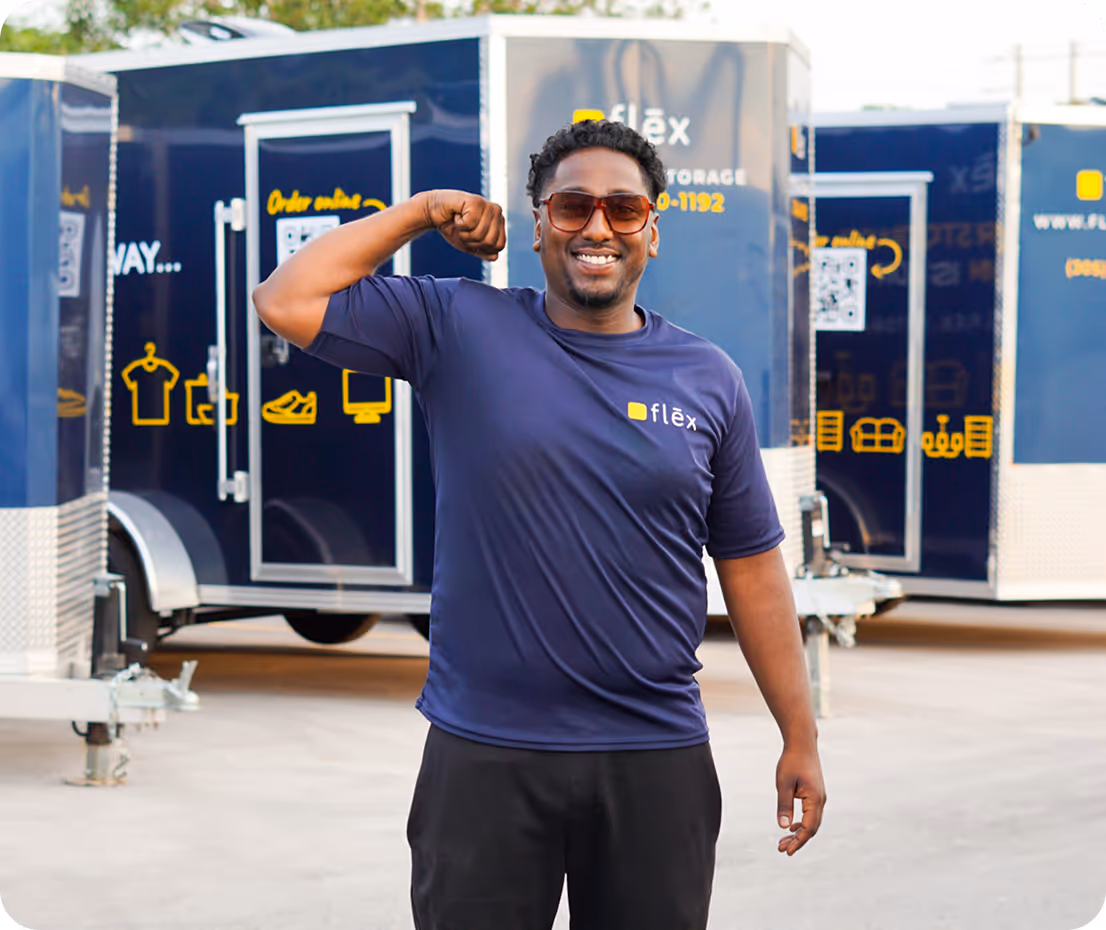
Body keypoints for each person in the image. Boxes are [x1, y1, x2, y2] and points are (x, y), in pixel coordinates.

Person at [253, 119, 825, 930]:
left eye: (624, 209)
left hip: (654, 755)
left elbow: (752, 568)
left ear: (652, 231)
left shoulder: (707, 378)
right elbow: (285, 298)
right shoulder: (458, 327)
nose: (598, 227)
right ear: (537, 225)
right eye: (573, 206)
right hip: (484, 752)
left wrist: (798, 734)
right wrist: (420, 212)